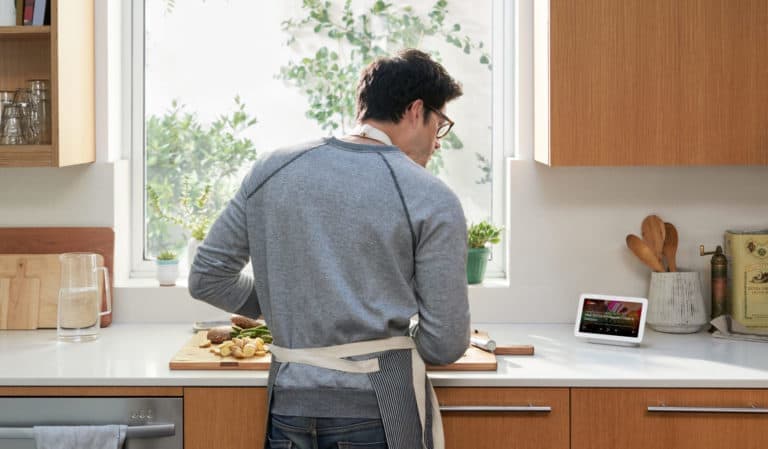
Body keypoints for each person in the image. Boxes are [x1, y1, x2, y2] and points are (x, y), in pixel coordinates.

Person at [189, 48, 470, 449]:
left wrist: (293, 304)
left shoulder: (272, 169)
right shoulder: (429, 196)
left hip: (289, 406)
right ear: (415, 110)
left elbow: (208, 278)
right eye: (439, 125)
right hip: (380, 410)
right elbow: (445, 343)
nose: (437, 143)